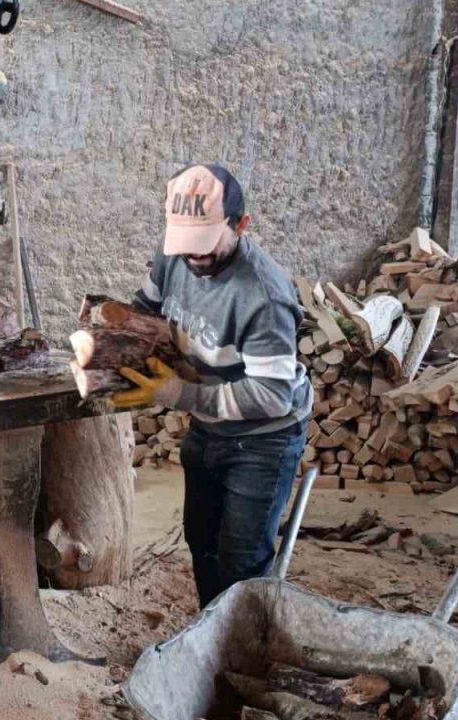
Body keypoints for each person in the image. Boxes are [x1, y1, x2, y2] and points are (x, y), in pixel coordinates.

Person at [113, 163, 313, 606]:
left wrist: (180, 395)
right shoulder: (175, 253)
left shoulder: (263, 295)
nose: (194, 258)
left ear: (241, 225)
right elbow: (146, 309)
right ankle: (211, 633)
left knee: (241, 559)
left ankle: (245, 656)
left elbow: (272, 395)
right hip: (210, 425)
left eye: (204, 245)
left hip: (264, 438)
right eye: (186, 245)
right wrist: (113, 345)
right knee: (200, 539)